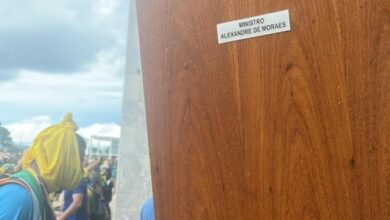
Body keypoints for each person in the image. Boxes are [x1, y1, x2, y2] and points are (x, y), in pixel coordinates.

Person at [0, 113, 86, 220]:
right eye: (78, 162)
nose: (80, 170)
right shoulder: (20, 197)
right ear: (60, 160)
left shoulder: (37, 191)